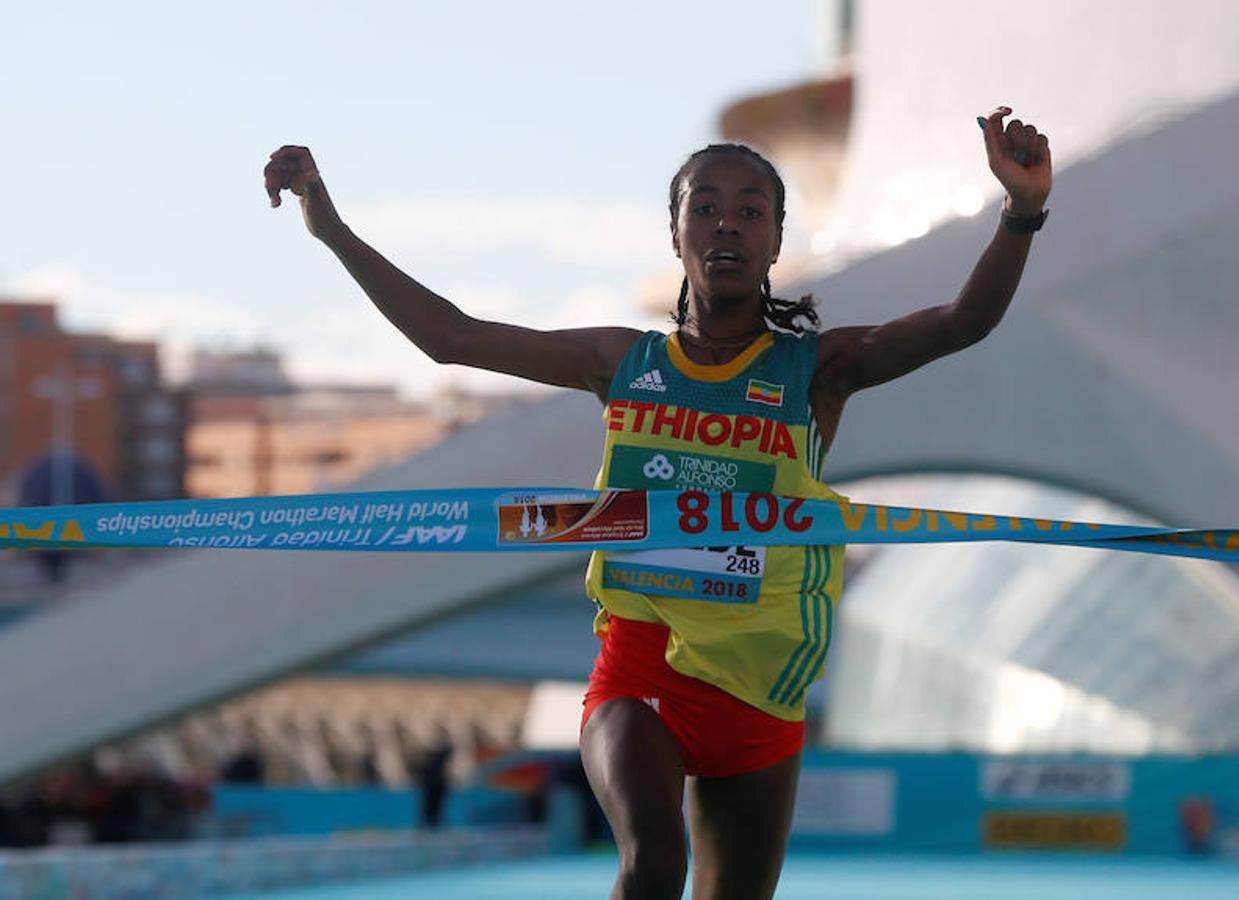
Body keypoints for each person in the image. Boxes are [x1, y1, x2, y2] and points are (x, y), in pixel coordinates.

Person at [264, 105, 1051, 900]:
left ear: (776, 241)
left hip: (762, 689)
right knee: (652, 863)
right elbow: (453, 338)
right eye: (703, 208)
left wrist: (1020, 212)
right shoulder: (621, 361)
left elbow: (961, 323)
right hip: (641, 666)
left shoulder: (818, 370)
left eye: (750, 212)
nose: (726, 226)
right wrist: (329, 227)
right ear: (673, 234)